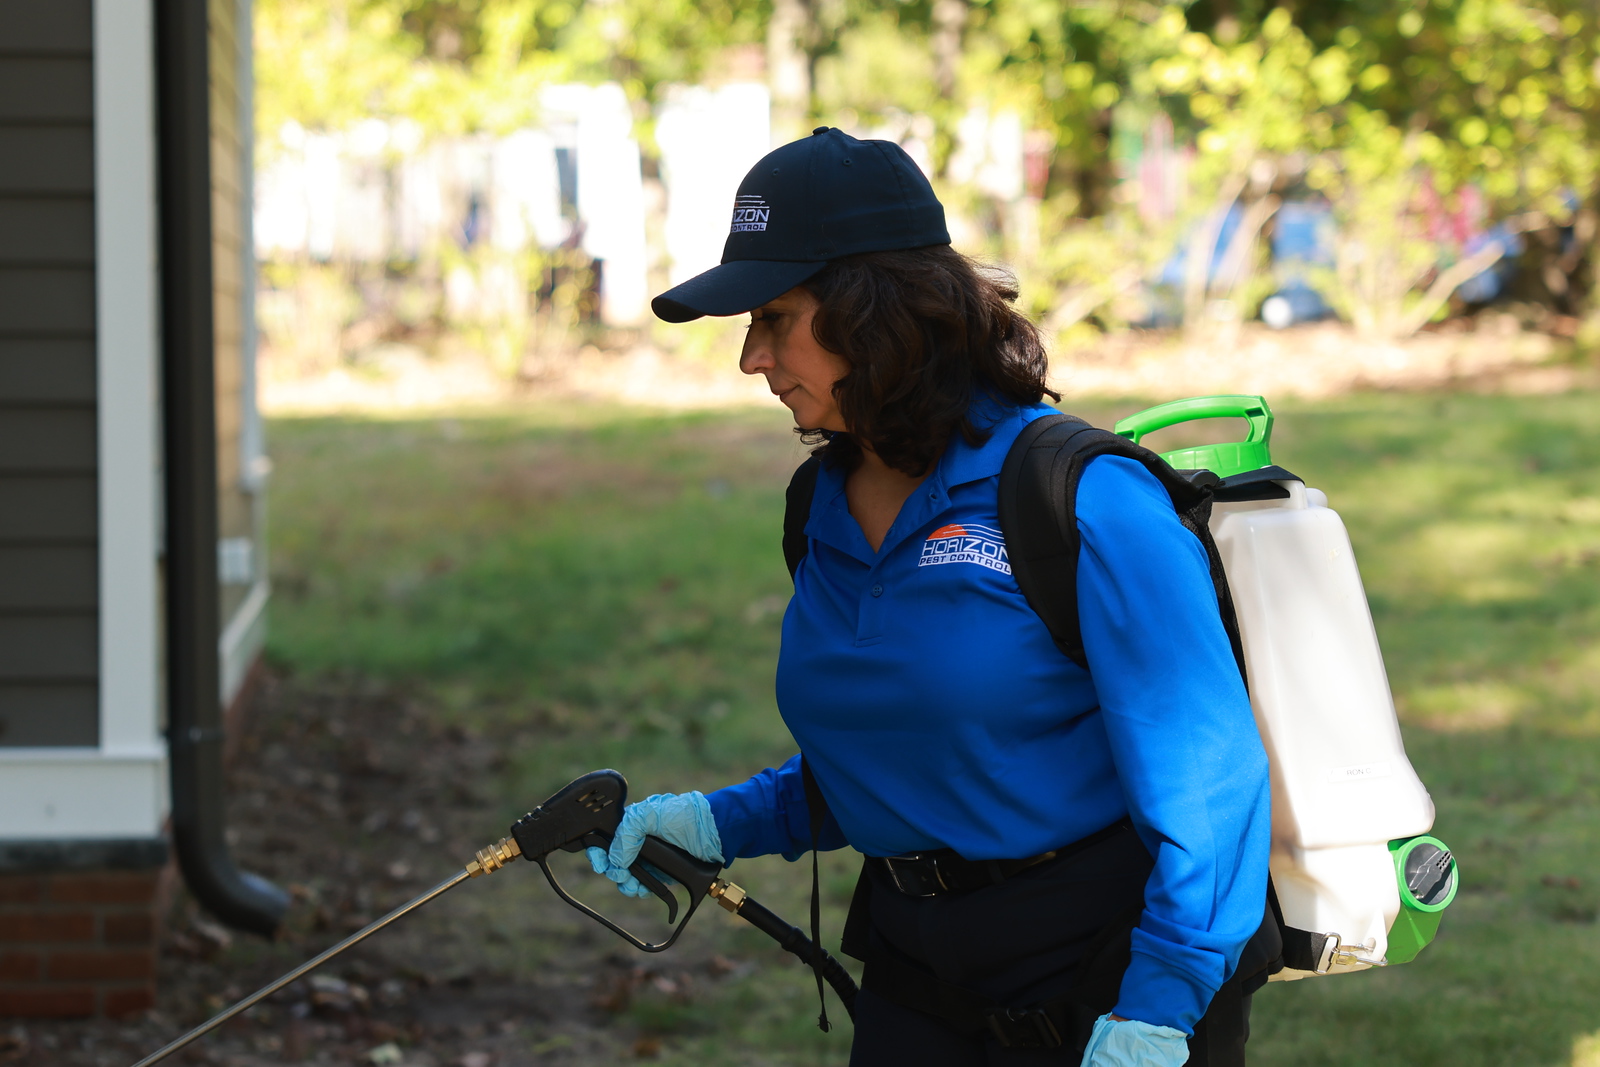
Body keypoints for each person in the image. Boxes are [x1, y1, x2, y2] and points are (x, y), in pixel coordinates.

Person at [587, 127, 1272, 1067]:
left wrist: (1162, 1001)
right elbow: (917, 749)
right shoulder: (820, 505)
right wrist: (720, 821)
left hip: (1102, 973)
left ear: (875, 314)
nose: (751, 358)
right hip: (914, 965)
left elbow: (1208, 778)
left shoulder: (1079, 497)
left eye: (775, 317)